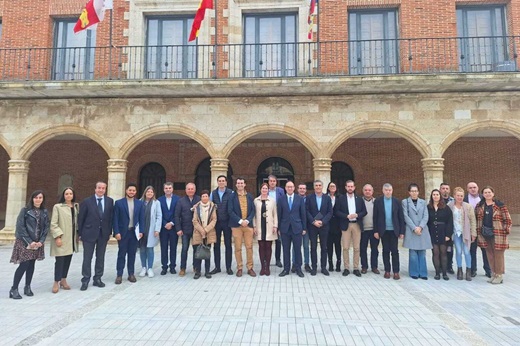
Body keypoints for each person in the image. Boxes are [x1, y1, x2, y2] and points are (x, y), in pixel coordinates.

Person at [9, 190, 49, 299]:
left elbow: (46, 228)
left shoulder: (44, 212)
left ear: (43, 199)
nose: (38, 199)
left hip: (37, 242)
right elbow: (20, 227)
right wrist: (29, 242)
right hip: (24, 242)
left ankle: (27, 287)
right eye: (36, 197)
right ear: (32, 199)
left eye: (40, 197)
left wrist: (41, 241)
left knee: (32, 264)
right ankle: (14, 289)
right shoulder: (25, 211)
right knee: (24, 264)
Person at [78, 181, 114, 291]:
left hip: (103, 234)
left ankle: (97, 278)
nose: (101, 190)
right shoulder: (87, 201)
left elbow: (110, 218)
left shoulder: (109, 201)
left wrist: (109, 232)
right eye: (99, 188)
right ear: (95, 189)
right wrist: (80, 233)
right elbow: (81, 218)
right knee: (87, 258)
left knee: (100, 257)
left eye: (103, 188)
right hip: (89, 234)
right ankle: (85, 279)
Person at [475, 186, 512, 284]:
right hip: (485, 234)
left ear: (493, 193)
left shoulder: (500, 205)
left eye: (489, 192)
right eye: (485, 192)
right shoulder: (480, 205)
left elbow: (508, 220)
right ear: (482, 194)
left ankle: (499, 275)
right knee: (490, 255)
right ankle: (494, 273)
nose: (487, 194)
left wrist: (505, 230)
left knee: (498, 255)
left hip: (498, 234)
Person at [113, 183, 145, 284]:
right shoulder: (119, 203)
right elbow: (115, 219)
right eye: (130, 190)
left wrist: (141, 231)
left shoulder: (139, 203)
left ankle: (131, 274)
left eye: (133, 190)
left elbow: (141, 218)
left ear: (135, 192)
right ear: (126, 191)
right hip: (123, 233)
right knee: (121, 254)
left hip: (134, 233)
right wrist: (116, 232)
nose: (132, 192)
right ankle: (119, 274)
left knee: (132, 254)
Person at [335, 180, 367, 277]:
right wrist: (346, 216)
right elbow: (336, 211)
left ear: (354, 187)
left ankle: (356, 268)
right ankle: (346, 268)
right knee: (345, 247)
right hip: (346, 224)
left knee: (357, 248)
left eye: (351, 186)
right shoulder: (341, 198)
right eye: (348, 186)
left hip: (356, 224)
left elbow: (364, 212)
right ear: (345, 187)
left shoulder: (359, 199)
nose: (350, 188)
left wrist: (357, 215)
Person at [50, 187, 79, 293]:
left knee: (67, 259)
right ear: (63, 195)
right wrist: (57, 237)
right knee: (59, 261)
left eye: (70, 193)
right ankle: (56, 281)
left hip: (71, 239)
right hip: (62, 238)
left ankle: (63, 279)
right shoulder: (58, 207)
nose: (68, 195)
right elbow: (53, 224)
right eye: (66, 194)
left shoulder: (75, 206)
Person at [373, 183, 405, 280]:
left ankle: (396, 271)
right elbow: (375, 217)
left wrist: (402, 231)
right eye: (386, 190)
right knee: (385, 250)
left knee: (395, 251)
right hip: (383, 230)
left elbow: (401, 217)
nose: (388, 192)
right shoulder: (378, 201)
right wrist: (376, 231)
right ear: (383, 191)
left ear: (392, 190)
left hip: (394, 230)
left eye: (390, 190)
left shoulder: (396, 201)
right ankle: (387, 270)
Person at [228, 177, 256, 277]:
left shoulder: (250, 196)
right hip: (236, 226)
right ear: (236, 185)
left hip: (248, 226)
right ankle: (239, 268)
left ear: (244, 185)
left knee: (249, 247)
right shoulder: (232, 197)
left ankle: (250, 267)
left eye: (242, 183)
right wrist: (240, 221)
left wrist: (248, 220)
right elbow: (230, 211)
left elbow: (253, 210)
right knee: (238, 247)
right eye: (238, 183)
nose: (240, 185)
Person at [402, 183, 431, 280]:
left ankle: (423, 273)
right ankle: (414, 272)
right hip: (411, 230)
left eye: (416, 191)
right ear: (409, 192)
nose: (414, 193)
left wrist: (420, 227)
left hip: (422, 230)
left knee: (422, 252)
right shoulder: (405, 202)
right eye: (412, 191)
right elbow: (405, 216)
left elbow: (426, 216)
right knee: (413, 252)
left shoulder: (423, 202)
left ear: (418, 192)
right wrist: (414, 228)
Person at [448, 187, 477, 281]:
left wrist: (473, 233)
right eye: (458, 195)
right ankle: (459, 270)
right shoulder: (450, 205)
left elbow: (473, 220)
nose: (459, 197)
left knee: (467, 251)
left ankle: (468, 270)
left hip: (466, 232)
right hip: (456, 232)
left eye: (461, 195)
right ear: (454, 196)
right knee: (459, 251)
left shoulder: (468, 207)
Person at [278, 181, 306, 278]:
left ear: (294, 188)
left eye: (291, 187)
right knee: (286, 249)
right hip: (285, 228)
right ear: (285, 188)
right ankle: (286, 269)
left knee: (297, 249)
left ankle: (298, 269)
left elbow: (303, 214)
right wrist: (278, 228)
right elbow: (279, 214)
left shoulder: (299, 199)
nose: (290, 188)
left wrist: (304, 227)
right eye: (288, 187)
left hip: (297, 228)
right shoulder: (281, 199)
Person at [306, 180, 333, 276]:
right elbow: (307, 211)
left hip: (324, 226)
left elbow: (330, 212)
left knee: (324, 247)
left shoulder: (327, 198)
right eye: (316, 185)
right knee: (313, 247)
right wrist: (313, 221)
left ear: (322, 187)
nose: (318, 187)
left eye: (319, 185)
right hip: (312, 226)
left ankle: (323, 267)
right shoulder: (309, 197)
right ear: (314, 187)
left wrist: (323, 221)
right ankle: (314, 267)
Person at [464, 182, 491, 278]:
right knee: (472, 250)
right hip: (471, 229)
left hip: (483, 229)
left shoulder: (484, 199)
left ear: (478, 188)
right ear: (467, 189)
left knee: (485, 250)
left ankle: (488, 270)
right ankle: (472, 270)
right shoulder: (464, 200)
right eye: (470, 188)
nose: (473, 189)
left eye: (474, 187)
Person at [209, 175, 234, 275]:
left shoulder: (231, 193)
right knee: (216, 245)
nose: (221, 182)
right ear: (217, 182)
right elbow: (210, 207)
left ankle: (228, 267)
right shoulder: (213, 193)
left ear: (226, 182)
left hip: (227, 222)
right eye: (219, 181)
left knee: (228, 245)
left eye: (223, 181)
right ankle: (217, 267)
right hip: (217, 223)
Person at [174, 183, 201, 277]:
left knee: (196, 249)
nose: (190, 190)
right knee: (184, 249)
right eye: (188, 189)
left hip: (196, 230)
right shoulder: (181, 201)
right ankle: (183, 268)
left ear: (195, 189)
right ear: (186, 190)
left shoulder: (199, 200)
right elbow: (177, 216)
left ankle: (196, 267)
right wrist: (178, 229)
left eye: (192, 189)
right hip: (185, 230)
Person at [427, 189, 453, 281]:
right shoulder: (428, 207)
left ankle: (445, 273)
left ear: (440, 196)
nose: (435, 196)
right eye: (433, 194)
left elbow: (450, 222)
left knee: (443, 253)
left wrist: (448, 234)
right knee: (435, 253)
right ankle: (437, 273)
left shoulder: (446, 208)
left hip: (443, 232)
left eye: (437, 194)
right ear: (431, 196)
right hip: (432, 232)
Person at [254, 183, 278, 276]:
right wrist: (254, 226)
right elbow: (254, 215)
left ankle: (267, 267)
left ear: (268, 190)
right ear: (260, 189)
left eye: (266, 188)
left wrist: (275, 226)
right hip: (260, 227)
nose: (264, 190)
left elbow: (275, 214)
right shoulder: (256, 200)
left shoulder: (272, 201)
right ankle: (262, 267)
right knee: (261, 247)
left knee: (268, 247)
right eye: (263, 188)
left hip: (269, 227)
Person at [192, 190, 217, 279]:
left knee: (207, 253)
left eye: (206, 196)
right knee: (197, 253)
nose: (205, 198)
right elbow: (194, 220)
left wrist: (206, 230)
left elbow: (214, 220)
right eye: (203, 196)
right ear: (201, 198)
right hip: (198, 233)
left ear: (208, 197)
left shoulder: (212, 207)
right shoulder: (197, 207)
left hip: (209, 233)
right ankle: (197, 271)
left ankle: (207, 271)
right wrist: (201, 230)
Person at [138, 186, 162, 278]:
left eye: (151, 192)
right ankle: (143, 267)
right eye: (148, 192)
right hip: (141, 229)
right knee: (142, 249)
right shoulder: (140, 202)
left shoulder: (156, 203)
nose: (150, 193)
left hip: (151, 229)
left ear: (153, 194)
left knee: (150, 249)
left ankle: (150, 268)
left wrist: (157, 229)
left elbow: (159, 216)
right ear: (145, 192)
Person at [158, 182, 180, 275]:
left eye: (169, 188)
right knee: (163, 248)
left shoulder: (178, 199)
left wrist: (171, 223)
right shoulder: (159, 200)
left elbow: (178, 213)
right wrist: (164, 223)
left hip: (173, 227)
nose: (168, 190)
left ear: (172, 189)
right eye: (166, 188)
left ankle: (172, 266)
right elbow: (158, 214)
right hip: (163, 228)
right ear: (164, 189)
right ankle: (164, 267)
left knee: (173, 248)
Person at [360, 184, 380, 274]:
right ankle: (364, 266)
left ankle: (374, 267)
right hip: (363, 230)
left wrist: (378, 230)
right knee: (362, 249)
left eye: (369, 190)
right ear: (363, 191)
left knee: (374, 249)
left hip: (374, 230)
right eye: (366, 190)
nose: (367, 192)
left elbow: (380, 217)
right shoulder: (359, 201)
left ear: (372, 191)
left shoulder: (377, 202)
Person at [268, 174, 285, 268]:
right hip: (267, 218)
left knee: (278, 240)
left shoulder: (281, 191)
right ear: (268, 182)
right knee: (268, 239)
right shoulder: (265, 190)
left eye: (274, 181)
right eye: (270, 181)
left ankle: (278, 259)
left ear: (276, 182)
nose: (272, 183)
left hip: (278, 217)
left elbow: (283, 203)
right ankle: (267, 259)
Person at [293, 183, 311, 273]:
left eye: (304, 188)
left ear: (306, 190)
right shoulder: (294, 199)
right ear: (297, 189)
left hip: (307, 227)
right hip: (295, 226)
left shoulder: (309, 199)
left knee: (306, 246)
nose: (302, 190)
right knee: (295, 246)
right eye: (300, 188)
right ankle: (294, 263)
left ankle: (307, 264)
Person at [440, 182, 455, 274]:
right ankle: (440, 266)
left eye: (447, 188)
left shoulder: (453, 201)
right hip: (439, 228)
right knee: (439, 248)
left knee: (450, 248)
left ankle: (449, 266)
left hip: (450, 228)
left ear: (449, 190)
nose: (445, 190)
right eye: (443, 188)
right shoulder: (436, 199)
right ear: (440, 189)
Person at [326, 182, 341, 272]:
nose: (332, 188)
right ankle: (330, 263)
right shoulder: (325, 197)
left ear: (336, 188)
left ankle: (338, 263)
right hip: (327, 225)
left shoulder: (340, 198)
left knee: (338, 245)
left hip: (337, 225)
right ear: (328, 188)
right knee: (329, 245)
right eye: (330, 186)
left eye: (334, 186)